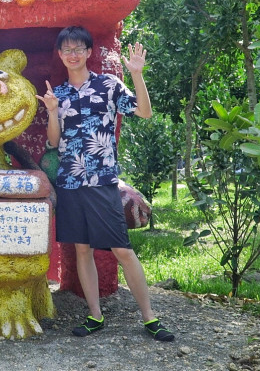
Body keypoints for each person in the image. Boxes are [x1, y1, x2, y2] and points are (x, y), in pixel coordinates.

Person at [36, 26, 175, 342]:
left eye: (78, 49)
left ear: (88, 52)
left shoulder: (109, 85)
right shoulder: (57, 94)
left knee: (123, 250)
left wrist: (137, 75)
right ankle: (95, 315)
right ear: (60, 55)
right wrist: (53, 111)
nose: (73, 54)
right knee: (82, 250)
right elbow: (54, 141)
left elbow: (144, 111)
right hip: (70, 181)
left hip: (102, 181)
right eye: (67, 50)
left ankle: (150, 318)